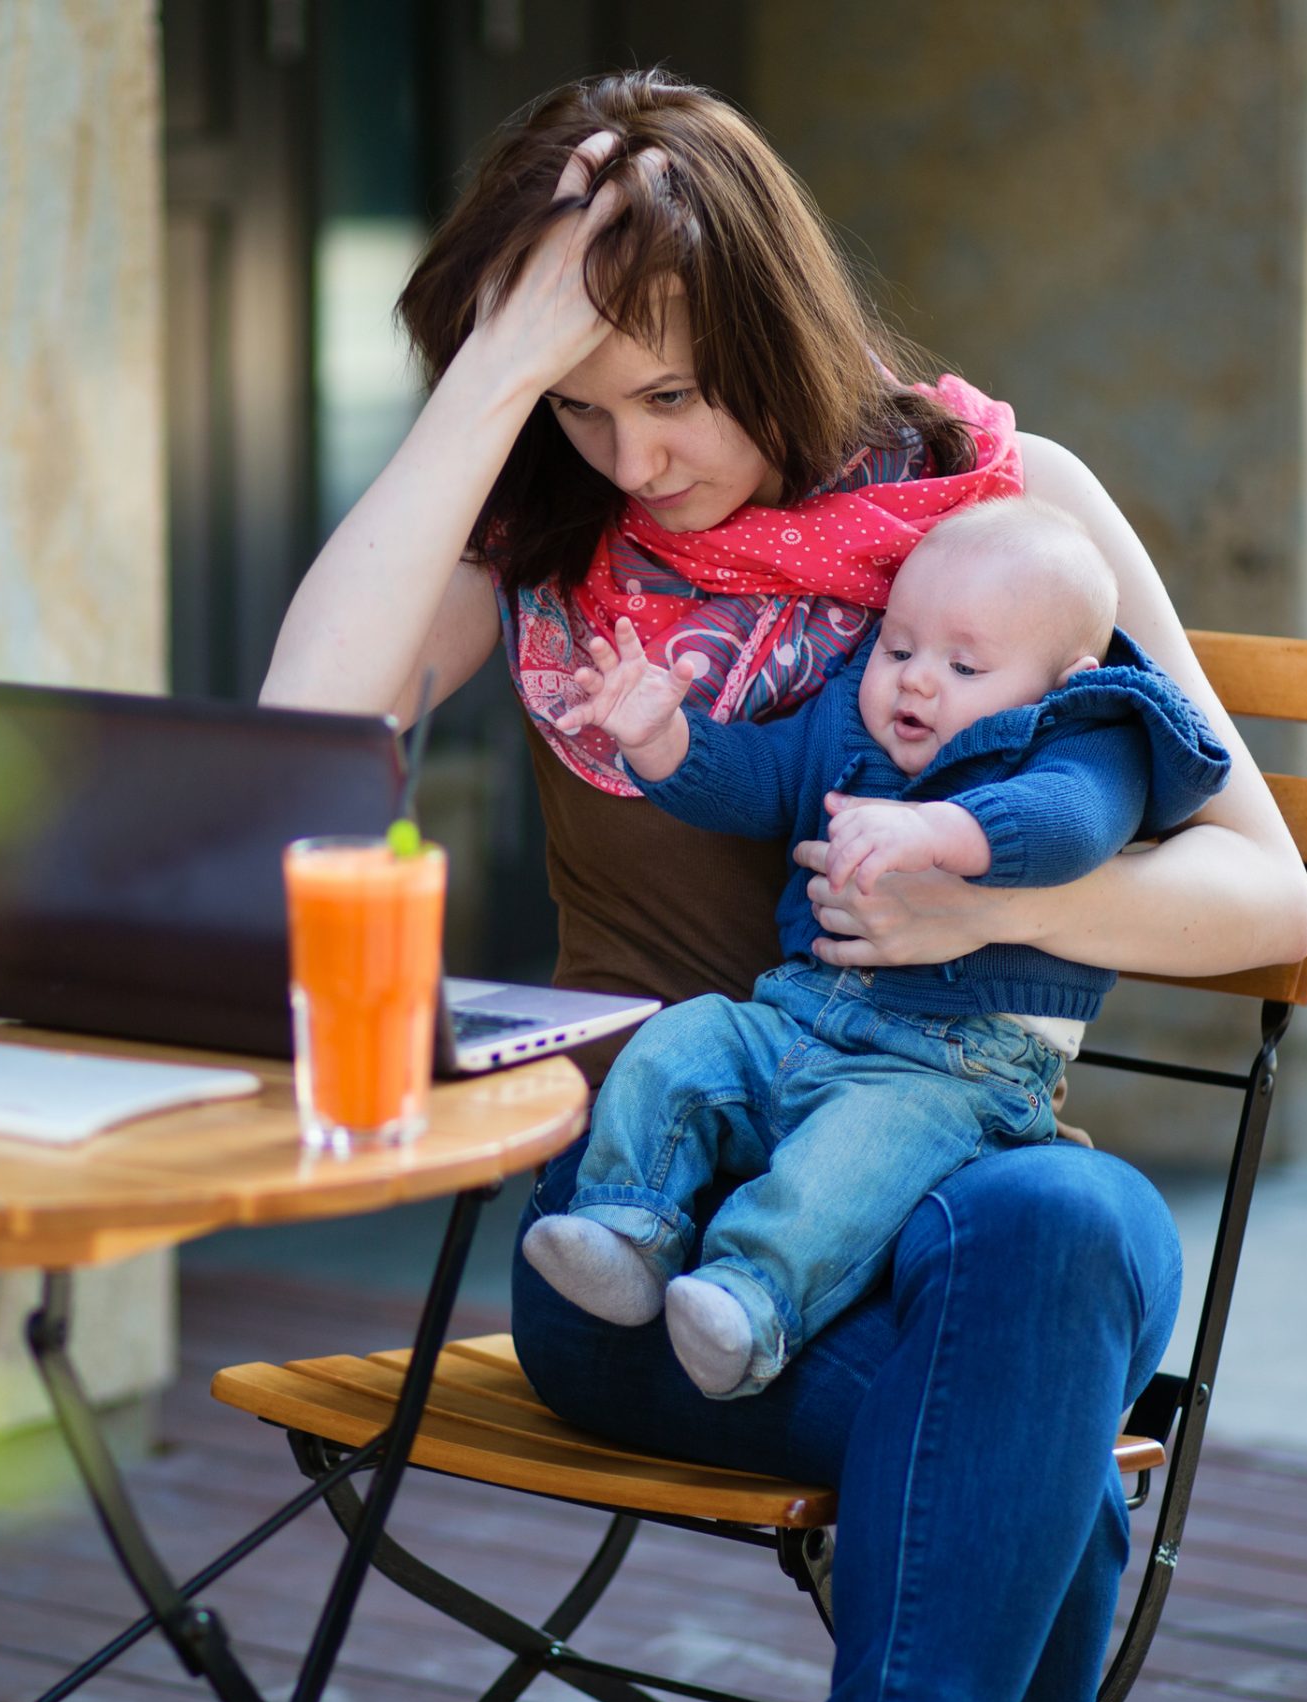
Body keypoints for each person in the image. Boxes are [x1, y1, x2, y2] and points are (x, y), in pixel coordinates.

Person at [259, 69, 1307, 1702]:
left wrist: (985, 903)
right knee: (1029, 1386)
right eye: (578, 401)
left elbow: (1267, 899)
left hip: (945, 1177)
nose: (633, 456)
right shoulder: (542, 531)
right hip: (648, 1238)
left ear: (768, 329)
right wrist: (490, 382)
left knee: (1070, 1222)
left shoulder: (1001, 507)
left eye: (671, 394)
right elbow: (298, 754)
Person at [520, 498, 1231, 1403]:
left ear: (1064, 678)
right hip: (796, 1015)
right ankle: (627, 1226)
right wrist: (666, 744)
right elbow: (760, 780)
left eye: (964, 663)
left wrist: (941, 829)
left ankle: (748, 1296)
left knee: (849, 1162)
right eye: (899, 648)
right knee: (685, 1041)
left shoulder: (1087, 740)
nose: (916, 682)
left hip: (951, 1070)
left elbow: (1072, 826)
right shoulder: (850, 720)